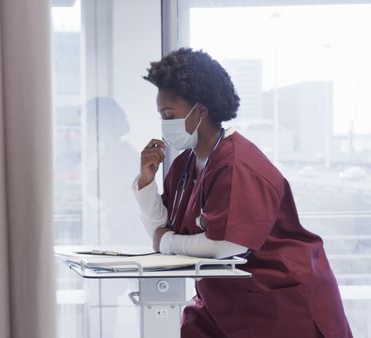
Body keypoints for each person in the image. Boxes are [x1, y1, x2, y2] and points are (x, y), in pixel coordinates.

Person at [132, 48, 352, 338]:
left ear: (201, 110)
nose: (164, 124)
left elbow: (227, 244)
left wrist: (168, 243)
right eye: (161, 115)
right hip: (224, 299)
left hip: (278, 299)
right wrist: (146, 183)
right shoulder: (185, 163)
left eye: (169, 114)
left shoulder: (237, 163)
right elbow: (160, 230)